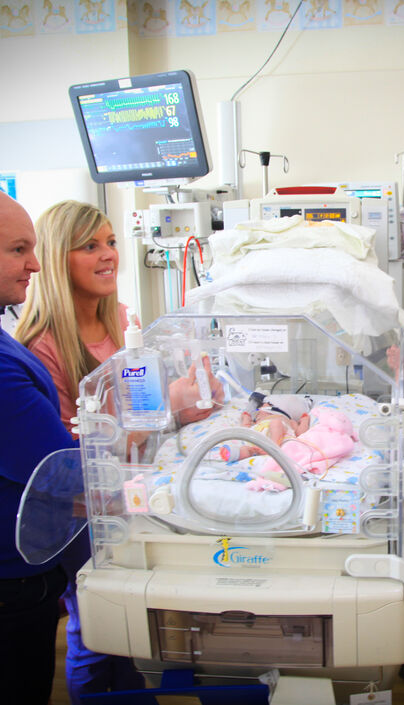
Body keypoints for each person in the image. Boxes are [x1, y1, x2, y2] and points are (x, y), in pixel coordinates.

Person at [13, 199, 224, 704]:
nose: (108, 255)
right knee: (97, 627)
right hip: (85, 513)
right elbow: (69, 460)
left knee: (131, 629)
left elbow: (141, 419)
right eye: (90, 246)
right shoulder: (43, 346)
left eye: (110, 242)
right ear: (56, 258)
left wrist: (183, 408)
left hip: (128, 495)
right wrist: (158, 410)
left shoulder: (120, 323)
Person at [0, 190, 73, 705]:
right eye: (18, 249)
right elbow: (63, 477)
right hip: (13, 584)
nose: (35, 265)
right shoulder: (6, 368)